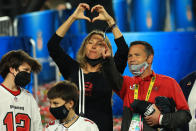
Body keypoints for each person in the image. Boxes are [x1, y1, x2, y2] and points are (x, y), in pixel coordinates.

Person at [47, 3, 128, 131]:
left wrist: (110, 21)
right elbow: (53, 46)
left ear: (106, 49)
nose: (94, 46)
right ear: (84, 48)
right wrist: (72, 18)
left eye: (99, 43)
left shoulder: (110, 70)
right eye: (90, 43)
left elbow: (123, 50)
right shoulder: (72, 68)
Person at [102, 41, 192, 131]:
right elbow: (111, 77)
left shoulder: (169, 83)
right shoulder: (127, 83)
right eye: (130, 56)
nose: (132, 59)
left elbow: (185, 115)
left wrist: (161, 119)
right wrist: (107, 60)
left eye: (137, 55)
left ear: (149, 58)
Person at [0, 50, 42, 131]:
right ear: (12, 69)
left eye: (30, 72)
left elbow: (37, 127)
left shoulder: (29, 97)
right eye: (26, 70)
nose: (28, 74)